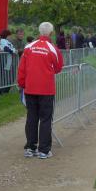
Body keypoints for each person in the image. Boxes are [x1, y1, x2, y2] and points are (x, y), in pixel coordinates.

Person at [17, 22, 63, 159]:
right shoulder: (53, 48)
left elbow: (21, 68)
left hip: (30, 88)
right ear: (51, 33)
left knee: (31, 118)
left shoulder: (29, 47)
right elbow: (58, 67)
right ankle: (44, 150)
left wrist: (22, 84)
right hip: (46, 89)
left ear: (39, 32)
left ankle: (30, 147)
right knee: (45, 119)